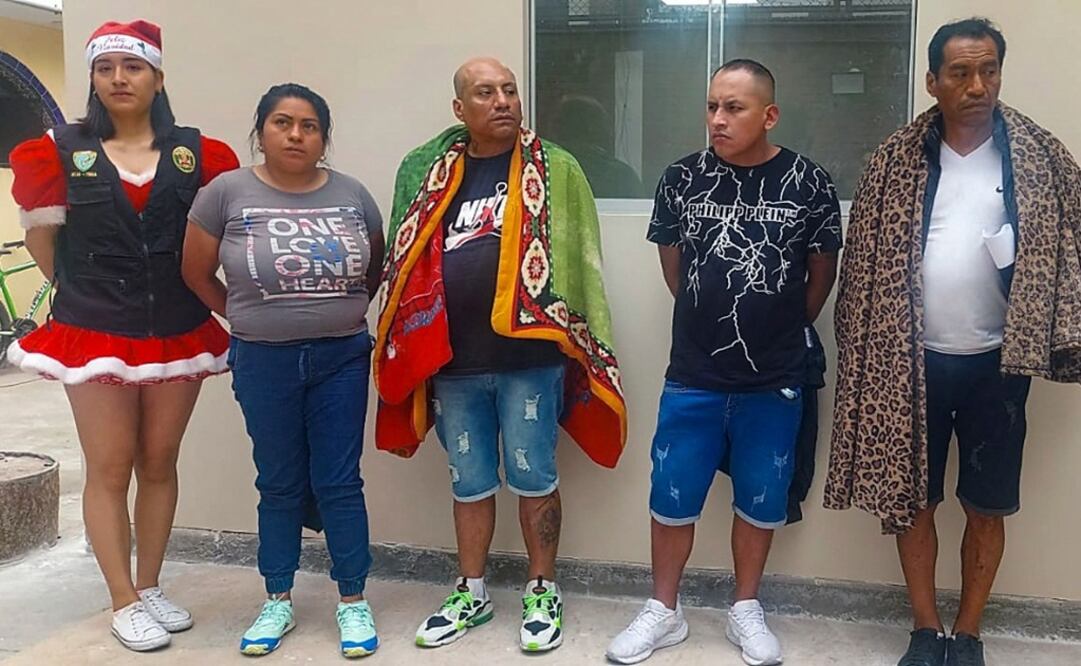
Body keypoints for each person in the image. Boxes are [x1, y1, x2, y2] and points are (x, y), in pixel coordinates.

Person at [824, 18, 1081, 666]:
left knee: (985, 504)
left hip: (998, 364)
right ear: (932, 80)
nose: (977, 85)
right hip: (910, 364)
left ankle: (966, 635)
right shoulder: (893, 159)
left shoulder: (1037, 158)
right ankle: (923, 628)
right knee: (913, 498)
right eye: (961, 73)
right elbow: (861, 266)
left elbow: (1070, 250)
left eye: (988, 70)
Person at [373, 57, 626, 653]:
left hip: (528, 362)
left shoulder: (554, 169)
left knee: (534, 475)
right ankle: (472, 590)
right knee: (470, 481)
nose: (503, 101)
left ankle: (542, 588)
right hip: (452, 362)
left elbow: (579, 261)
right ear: (460, 109)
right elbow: (401, 260)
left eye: (509, 90)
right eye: (485, 92)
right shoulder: (426, 172)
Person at [5, 19, 238, 652]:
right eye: (105, 68)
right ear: (93, 78)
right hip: (95, 331)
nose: (118, 78)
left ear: (157, 77)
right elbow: (43, 240)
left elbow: (211, 241)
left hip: (177, 331)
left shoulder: (199, 154)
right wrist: (87, 298)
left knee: (159, 462)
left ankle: (151, 583)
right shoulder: (57, 150)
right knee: (109, 468)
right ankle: (122, 598)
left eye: (132, 67)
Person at [606, 59, 842, 666]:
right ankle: (665, 610)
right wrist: (706, 314)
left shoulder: (809, 183)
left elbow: (821, 273)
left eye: (733, 108)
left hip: (776, 376)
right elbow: (673, 263)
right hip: (694, 374)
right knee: (672, 492)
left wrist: (779, 324)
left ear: (769, 115)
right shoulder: (682, 178)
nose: (717, 119)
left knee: (760, 497)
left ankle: (745, 607)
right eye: (712, 106)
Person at [182, 83, 385, 659]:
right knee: (278, 481)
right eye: (282, 123)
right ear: (262, 130)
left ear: (323, 137)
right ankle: (277, 597)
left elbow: (375, 262)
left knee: (340, 480)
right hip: (263, 360)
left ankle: (352, 599)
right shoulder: (226, 193)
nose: (296, 135)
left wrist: (336, 311)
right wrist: (246, 317)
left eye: (309, 126)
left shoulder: (352, 195)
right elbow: (196, 273)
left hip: (342, 356)